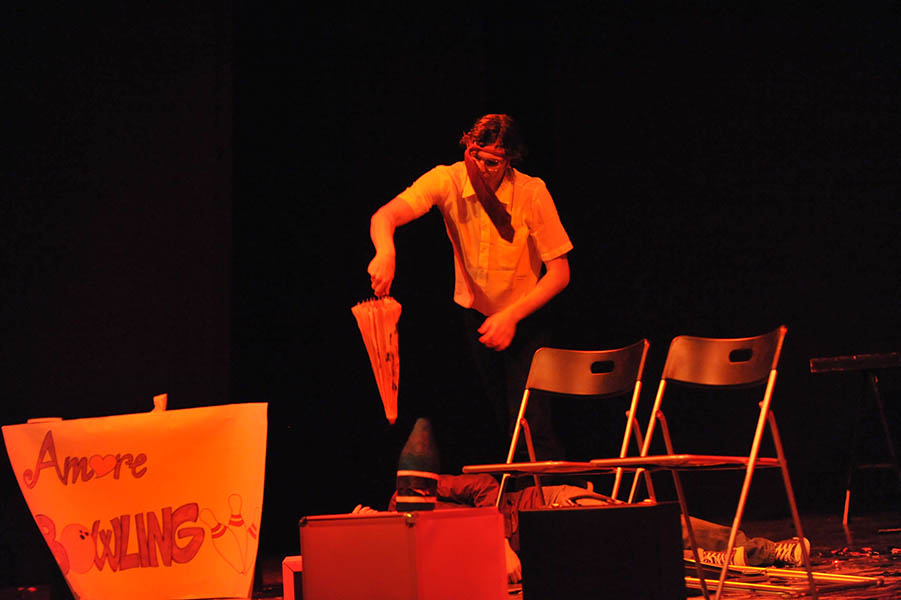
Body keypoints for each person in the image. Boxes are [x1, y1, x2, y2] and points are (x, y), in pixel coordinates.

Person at [367, 114, 573, 473]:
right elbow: (385, 216)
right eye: (474, 157)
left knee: (530, 425)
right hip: (478, 316)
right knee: (499, 422)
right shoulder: (447, 179)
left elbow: (560, 273)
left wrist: (510, 317)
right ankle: (515, 499)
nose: (480, 168)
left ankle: (554, 498)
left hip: (525, 316)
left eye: (492, 163)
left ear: (509, 162)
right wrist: (386, 251)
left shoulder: (531, 193)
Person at [354, 473, 811, 584]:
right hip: (545, 551)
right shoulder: (408, 556)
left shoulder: (408, 495)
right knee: (642, 558)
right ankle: (737, 558)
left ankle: (764, 548)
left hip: (547, 508)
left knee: (644, 526)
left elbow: (486, 487)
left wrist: (499, 545)